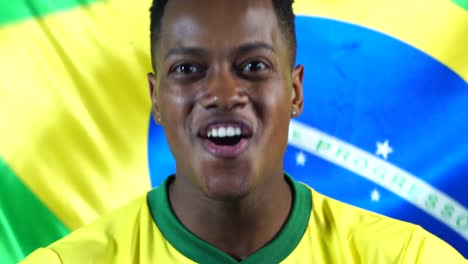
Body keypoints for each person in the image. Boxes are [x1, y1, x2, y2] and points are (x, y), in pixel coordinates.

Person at [22, 0, 466, 263]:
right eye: (189, 69)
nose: (221, 92)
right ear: (156, 99)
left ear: (294, 91)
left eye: (253, 66)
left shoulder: (410, 258)